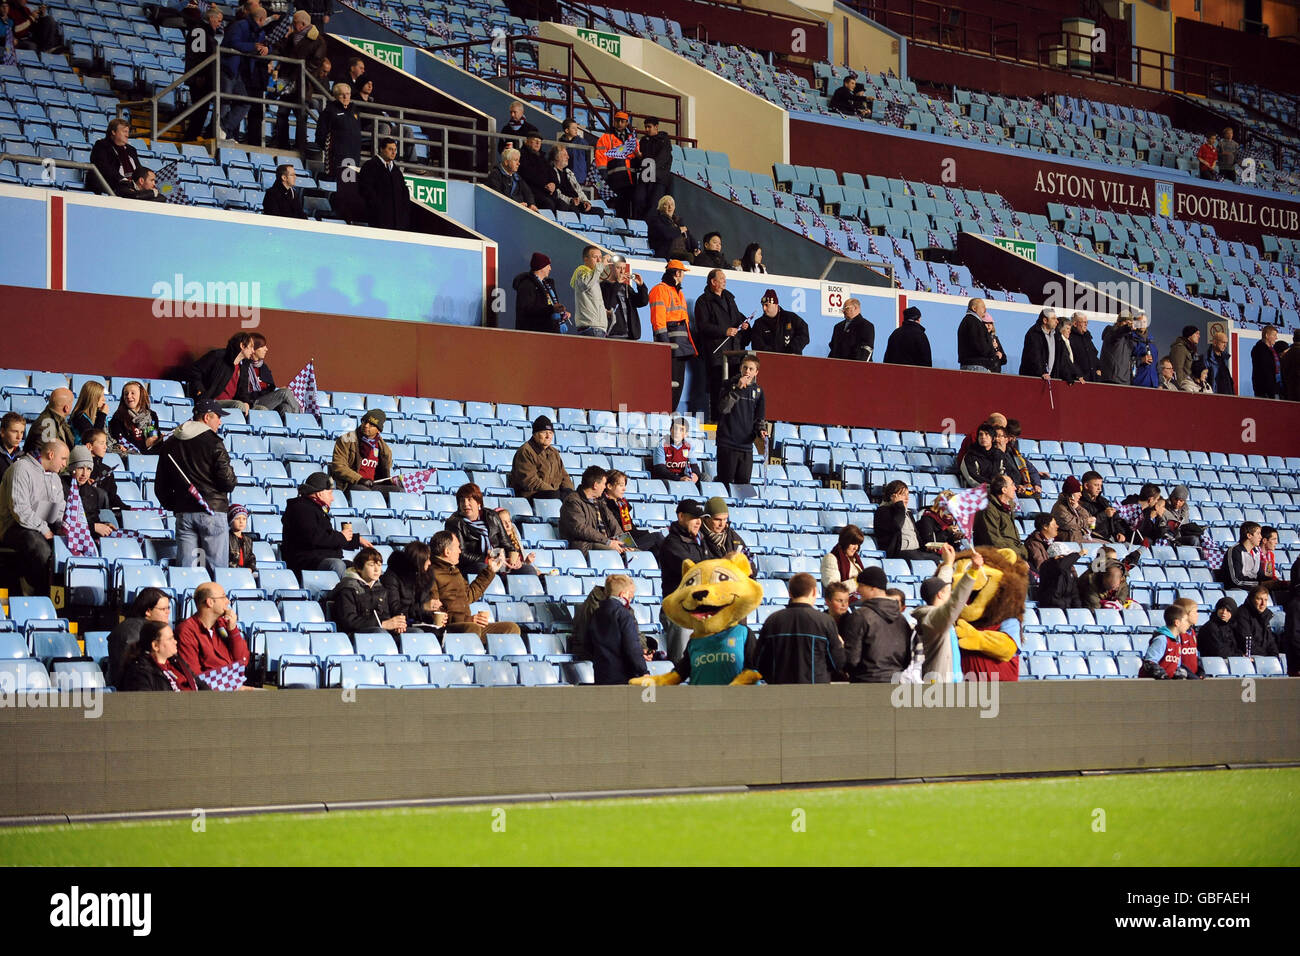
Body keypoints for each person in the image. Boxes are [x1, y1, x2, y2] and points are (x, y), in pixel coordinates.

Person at [154, 400, 236, 576]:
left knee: (186, 572)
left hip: (184, 513)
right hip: (212, 512)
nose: (220, 422)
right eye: (218, 417)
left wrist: (175, 505)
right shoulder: (214, 442)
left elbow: (160, 485)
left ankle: (189, 604)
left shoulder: (170, 443)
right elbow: (227, 482)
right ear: (207, 417)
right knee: (217, 573)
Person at [0, 439, 67, 595]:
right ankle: (39, 594)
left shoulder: (55, 478)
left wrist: (62, 527)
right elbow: (20, 510)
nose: (65, 464)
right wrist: (44, 529)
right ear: (51, 455)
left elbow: (59, 510)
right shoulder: (21, 469)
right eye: (63, 459)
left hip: (42, 526)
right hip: (14, 528)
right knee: (40, 547)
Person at [909, 546, 984, 683]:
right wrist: (973, 572)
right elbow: (955, 602)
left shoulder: (934, 615)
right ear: (940, 594)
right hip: (939, 688)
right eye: (947, 591)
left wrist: (948, 563)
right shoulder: (932, 618)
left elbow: (943, 586)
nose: (950, 592)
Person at [429, 530, 519, 643]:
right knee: (473, 628)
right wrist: (469, 620)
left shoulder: (455, 570)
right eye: (457, 547)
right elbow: (437, 614)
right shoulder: (431, 574)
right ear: (447, 551)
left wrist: (490, 571)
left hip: (469, 624)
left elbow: (469, 595)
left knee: (511, 628)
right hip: (452, 628)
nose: (460, 551)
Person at [753, 572, 844, 684]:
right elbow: (837, 663)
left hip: (780, 693)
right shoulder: (825, 621)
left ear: (790, 593)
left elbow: (759, 662)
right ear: (815, 591)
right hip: (816, 693)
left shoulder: (772, 621)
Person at [282, 472, 368, 578]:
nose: (332, 498)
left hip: (319, 559)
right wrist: (342, 537)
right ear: (319, 493)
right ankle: (341, 593)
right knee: (337, 564)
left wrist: (355, 539)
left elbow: (326, 536)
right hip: (305, 563)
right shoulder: (301, 509)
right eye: (330, 493)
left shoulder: (314, 508)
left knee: (365, 569)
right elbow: (313, 538)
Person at [693, 268, 751, 420]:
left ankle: (733, 419)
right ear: (713, 282)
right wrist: (724, 331)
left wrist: (744, 324)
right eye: (722, 278)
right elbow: (703, 326)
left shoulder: (729, 298)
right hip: (716, 353)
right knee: (718, 387)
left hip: (734, 353)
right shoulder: (703, 301)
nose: (725, 281)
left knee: (735, 386)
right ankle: (717, 420)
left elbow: (738, 317)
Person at [445, 482, 535, 577]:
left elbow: (507, 544)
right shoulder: (454, 523)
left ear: (478, 502)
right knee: (484, 568)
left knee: (528, 570)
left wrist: (514, 558)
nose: (465, 504)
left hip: (499, 562)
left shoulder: (492, 516)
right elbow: (461, 555)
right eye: (462, 501)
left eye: (469, 500)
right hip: (474, 565)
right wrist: (487, 559)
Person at [840, 566, 912, 682]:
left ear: (872, 588)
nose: (857, 590)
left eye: (861, 586)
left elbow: (851, 659)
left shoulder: (860, 616)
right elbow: (907, 657)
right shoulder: (902, 619)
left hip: (866, 685)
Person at [656, 498, 707, 659]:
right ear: (681, 517)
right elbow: (693, 570)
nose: (698, 522)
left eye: (700, 518)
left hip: (697, 609)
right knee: (681, 661)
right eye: (694, 518)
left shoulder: (701, 541)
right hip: (678, 611)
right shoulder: (672, 543)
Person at [269, 9, 326, 151]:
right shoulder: (292, 36)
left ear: (302, 23)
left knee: (301, 115)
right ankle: (281, 143)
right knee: (282, 112)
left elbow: (315, 63)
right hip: (285, 79)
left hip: (302, 82)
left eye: (295, 22)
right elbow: (281, 49)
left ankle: (300, 147)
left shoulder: (318, 41)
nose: (293, 25)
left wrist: (299, 68)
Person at [176, 581, 250, 679]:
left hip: (234, 683)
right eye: (223, 597)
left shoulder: (224, 624)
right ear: (210, 602)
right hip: (213, 690)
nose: (227, 601)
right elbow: (194, 676)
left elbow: (243, 661)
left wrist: (233, 631)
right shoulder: (186, 631)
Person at [649, 260, 696, 410]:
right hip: (671, 346)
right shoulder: (660, 290)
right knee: (670, 385)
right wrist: (665, 345)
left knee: (677, 386)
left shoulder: (678, 292)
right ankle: (665, 414)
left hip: (681, 347)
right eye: (682, 273)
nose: (683, 276)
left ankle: (670, 413)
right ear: (677, 273)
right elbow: (658, 321)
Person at [330, 547, 406, 636]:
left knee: (414, 632)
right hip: (355, 634)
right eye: (371, 565)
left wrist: (395, 626)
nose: (377, 569)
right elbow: (349, 621)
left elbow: (385, 617)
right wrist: (382, 624)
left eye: (379, 565)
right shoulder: (347, 589)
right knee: (379, 633)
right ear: (359, 568)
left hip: (379, 631)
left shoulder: (381, 589)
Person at [715, 354, 766, 485]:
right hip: (727, 444)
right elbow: (723, 408)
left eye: (751, 369)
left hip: (746, 446)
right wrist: (737, 388)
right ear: (740, 368)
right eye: (745, 368)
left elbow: (759, 419)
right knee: (725, 483)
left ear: (756, 372)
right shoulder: (727, 385)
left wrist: (761, 430)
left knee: (744, 486)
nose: (747, 371)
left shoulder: (759, 392)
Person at [589, 574, 649, 684]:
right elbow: (632, 646)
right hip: (623, 676)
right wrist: (643, 670)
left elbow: (588, 643)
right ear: (623, 595)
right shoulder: (624, 614)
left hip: (601, 674)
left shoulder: (596, 613)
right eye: (630, 597)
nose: (630, 600)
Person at [106, 587, 173, 686]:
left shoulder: (146, 628)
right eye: (163, 609)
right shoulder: (134, 632)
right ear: (148, 611)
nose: (168, 612)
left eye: (168, 608)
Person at [117, 620, 207, 692]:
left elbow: (200, 685)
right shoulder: (140, 672)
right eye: (170, 639)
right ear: (155, 646)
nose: (175, 642)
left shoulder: (177, 662)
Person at [181, 3, 224, 140]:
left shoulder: (204, 31)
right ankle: (191, 137)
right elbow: (198, 55)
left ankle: (193, 135)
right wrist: (199, 75)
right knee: (200, 109)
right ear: (211, 18)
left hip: (204, 77)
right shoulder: (199, 30)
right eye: (219, 20)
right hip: (200, 78)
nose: (219, 24)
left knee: (202, 109)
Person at [559, 466, 624, 554]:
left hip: (604, 542)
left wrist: (623, 544)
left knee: (635, 553)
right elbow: (581, 528)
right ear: (595, 485)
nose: (605, 487)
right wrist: (607, 542)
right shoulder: (572, 501)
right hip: (586, 546)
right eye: (604, 484)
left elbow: (613, 523)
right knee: (616, 553)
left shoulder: (600, 502)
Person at [873, 480, 940, 564]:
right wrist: (899, 506)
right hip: (899, 552)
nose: (907, 498)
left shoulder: (907, 512)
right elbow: (897, 526)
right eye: (903, 494)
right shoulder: (882, 511)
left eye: (908, 494)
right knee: (923, 562)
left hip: (916, 551)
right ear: (892, 496)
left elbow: (916, 534)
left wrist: (926, 547)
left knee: (940, 559)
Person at [382, 541, 444, 630]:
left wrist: (433, 614)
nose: (430, 563)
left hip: (419, 624)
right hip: (400, 625)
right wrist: (424, 607)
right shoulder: (392, 577)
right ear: (418, 562)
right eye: (426, 560)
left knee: (444, 631)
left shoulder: (425, 576)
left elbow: (423, 608)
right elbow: (394, 610)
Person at [509, 416, 573, 501]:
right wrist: (553, 491)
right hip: (530, 495)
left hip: (552, 493)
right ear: (535, 434)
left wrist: (568, 490)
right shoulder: (525, 451)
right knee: (554, 495)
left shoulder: (554, 452)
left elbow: (563, 475)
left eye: (550, 433)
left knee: (572, 496)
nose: (548, 436)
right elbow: (530, 480)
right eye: (544, 432)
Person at [188, 332, 255, 413]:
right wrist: (201, 393)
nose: (253, 351)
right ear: (242, 346)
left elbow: (243, 391)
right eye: (251, 347)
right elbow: (195, 370)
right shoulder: (218, 356)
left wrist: (246, 403)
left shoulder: (243, 366)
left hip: (231, 402)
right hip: (212, 401)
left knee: (262, 409)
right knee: (239, 405)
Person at [330, 409, 393, 492]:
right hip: (350, 484)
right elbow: (339, 466)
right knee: (365, 491)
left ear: (378, 430)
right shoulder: (346, 440)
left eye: (371, 424)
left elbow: (386, 470)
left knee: (399, 491)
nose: (366, 425)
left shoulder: (384, 449)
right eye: (364, 421)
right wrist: (360, 479)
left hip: (373, 485)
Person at [602, 469, 664, 552]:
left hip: (628, 539)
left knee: (656, 546)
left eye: (624, 486)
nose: (624, 489)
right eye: (621, 485)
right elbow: (613, 531)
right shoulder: (603, 504)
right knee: (657, 537)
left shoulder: (622, 504)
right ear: (609, 486)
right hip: (619, 542)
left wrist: (646, 533)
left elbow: (631, 530)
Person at [241, 333, 302, 415]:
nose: (266, 349)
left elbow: (270, 389)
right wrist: (280, 393)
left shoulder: (263, 367)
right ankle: (300, 417)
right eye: (262, 346)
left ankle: (288, 426)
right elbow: (244, 392)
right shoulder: (244, 366)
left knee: (286, 408)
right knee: (285, 392)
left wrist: (277, 392)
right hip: (253, 402)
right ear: (254, 349)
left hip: (267, 401)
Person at [358, 137, 411, 231]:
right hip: (377, 220)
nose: (393, 153)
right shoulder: (370, 166)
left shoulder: (396, 171)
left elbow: (404, 193)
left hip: (397, 223)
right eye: (390, 149)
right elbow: (366, 190)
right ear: (381, 149)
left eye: (395, 150)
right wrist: (378, 208)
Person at [63, 445, 115, 539]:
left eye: (88, 469)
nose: (84, 474)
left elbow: (92, 519)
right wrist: (94, 527)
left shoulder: (92, 492)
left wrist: (103, 525)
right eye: (80, 468)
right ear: (71, 468)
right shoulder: (61, 487)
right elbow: (64, 522)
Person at [594, 110, 637, 220]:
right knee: (617, 207)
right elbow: (600, 159)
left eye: (623, 121)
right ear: (614, 122)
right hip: (615, 180)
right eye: (618, 121)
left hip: (630, 180)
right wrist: (604, 178)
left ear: (627, 123)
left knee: (629, 209)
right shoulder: (605, 138)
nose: (620, 124)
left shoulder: (632, 139)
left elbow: (636, 157)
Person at [513, 252, 570, 334]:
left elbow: (550, 306)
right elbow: (527, 310)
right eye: (548, 266)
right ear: (541, 267)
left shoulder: (548, 284)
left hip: (551, 331)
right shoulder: (527, 285)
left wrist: (561, 313)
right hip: (535, 334)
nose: (550, 268)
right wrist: (552, 309)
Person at [973, 475, 1026, 559]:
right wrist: (1019, 554)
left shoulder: (1008, 507)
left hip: (1013, 554)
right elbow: (994, 540)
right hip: (997, 558)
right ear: (1004, 490)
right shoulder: (988, 509)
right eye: (1012, 485)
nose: (1015, 488)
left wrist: (1022, 552)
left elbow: (1013, 538)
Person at [317, 82, 362, 181]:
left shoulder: (354, 111)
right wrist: (332, 148)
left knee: (350, 183)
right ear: (336, 96)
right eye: (342, 94)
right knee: (337, 182)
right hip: (336, 156)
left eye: (348, 94)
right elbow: (321, 134)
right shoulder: (329, 111)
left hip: (353, 155)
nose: (346, 97)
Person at [1140, 605, 1200, 679]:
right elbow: (1149, 663)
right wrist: (1165, 678)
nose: (1188, 624)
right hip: (1152, 686)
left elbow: (1177, 667)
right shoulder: (1162, 640)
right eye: (1185, 621)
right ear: (1177, 623)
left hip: (1167, 685)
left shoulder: (1177, 642)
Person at [89, 118, 141, 197]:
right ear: (113, 132)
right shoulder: (101, 146)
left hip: (132, 187)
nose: (127, 135)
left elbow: (139, 169)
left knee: (157, 194)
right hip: (113, 186)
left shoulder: (131, 150)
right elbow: (103, 167)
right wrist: (123, 180)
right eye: (124, 131)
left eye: (127, 132)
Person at [633, 116, 672, 220]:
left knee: (654, 205)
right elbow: (639, 162)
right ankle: (639, 226)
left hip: (658, 179)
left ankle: (648, 230)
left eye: (649, 127)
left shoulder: (664, 141)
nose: (646, 129)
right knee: (639, 200)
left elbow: (660, 160)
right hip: (645, 178)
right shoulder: (643, 141)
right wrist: (638, 157)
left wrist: (642, 157)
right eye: (645, 127)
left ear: (656, 127)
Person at [700, 497, 755, 569]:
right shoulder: (698, 537)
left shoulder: (732, 535)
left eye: (725, 519)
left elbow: (752, 568)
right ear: (706, 518)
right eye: (717, 519)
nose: (722, 524)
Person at [749, 290, 808, 355]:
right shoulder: (758, 324)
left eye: (766, 305)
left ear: (776, 304)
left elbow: (804, 335)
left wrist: (792, 349)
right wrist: (775, 355)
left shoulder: (791, 318)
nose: (764, 308)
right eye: (762, 305)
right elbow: (757, 346)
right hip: (769, 362)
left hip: (792, 361)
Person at [570, 245, 612, 337]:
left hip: (598, 328)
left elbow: (592, 301)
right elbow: (586, 284)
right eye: (595, 257)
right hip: (592, 328)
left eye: (600, 257)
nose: (598, 261)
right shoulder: (581, 272)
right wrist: (600, 266)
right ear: (586, 259)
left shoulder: (594, 276)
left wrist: (603, 312)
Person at [600, 257, 647, 340]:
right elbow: (608, 305)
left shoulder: (626, 287)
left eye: (624, 268)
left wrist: (641, 286)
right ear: (611, 267)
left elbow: (642, 302)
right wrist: (617, 283)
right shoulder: (603, 286)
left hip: (630, 335)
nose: (622, 271)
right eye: (618, 268)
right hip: (613, 335)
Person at [22, 387, 75, 457]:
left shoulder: (60, 422)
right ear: (66, 408)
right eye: (71, 403)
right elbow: (48, 458)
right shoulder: (46, 425)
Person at [1079, 470, 1128, 542]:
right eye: (1096, 485)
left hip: (1109, 538)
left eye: (1100, 485)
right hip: (1092, 539)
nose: (1099, 488)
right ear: (1086, 485)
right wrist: (1105, 514)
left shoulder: (1103, 501)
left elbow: (1115, 519)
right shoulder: (1080, 503)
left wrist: (1119, 532)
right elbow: (1088, 525)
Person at [546, 145, 596, 214]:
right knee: (574, 211)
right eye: (564, 155)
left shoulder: (569, 172)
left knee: (599, 211)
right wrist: (570, 200)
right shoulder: (551, 172)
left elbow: (579, 190)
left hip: (578, 203)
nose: (568, 157)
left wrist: (586, 201)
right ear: (556, 157)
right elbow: (557, 193)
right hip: (567, 204)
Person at [1018, 308, 1066, 380]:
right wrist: (1042, 372)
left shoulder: (1057, 334)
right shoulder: (1034, 334)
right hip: (1034, 377)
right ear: (1045, 320)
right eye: (1053, 318)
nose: (1057, 321)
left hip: (1050, 377)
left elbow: (1062, 356)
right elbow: (1035, 356)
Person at [650, 417, 701, 484]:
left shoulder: (688, 446)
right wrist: (678, 479)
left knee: (705, 477)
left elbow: (694, 466)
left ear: (686, 434)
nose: (677, 432)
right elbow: (660, 469)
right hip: (667, 479)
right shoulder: (661, 445)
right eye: (675, 428)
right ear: (670, 430)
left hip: (683, 478)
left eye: (681, 430)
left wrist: (695, 475)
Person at [1003, 419, 1045, 499]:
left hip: (1023, 489)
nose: (1013, 440)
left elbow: (1032, 469)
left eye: (1015, 437)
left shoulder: (1015, 454)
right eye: (1011, 436)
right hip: (1012, 491)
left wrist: (1037, 484)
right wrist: (1015, 486)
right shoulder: (999, 455)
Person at [957, 298, 1001, 373]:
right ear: (974, 308)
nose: (985, 309)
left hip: (971, 365)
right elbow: (981, 346)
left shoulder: (967, 321)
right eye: (983, 306)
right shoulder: (974, 322)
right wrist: (993, 355)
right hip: (977, 367)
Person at [1232, 587, 1278, 659]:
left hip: (1264, 655)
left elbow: (1270, 641)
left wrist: (1275, 656)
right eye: (1259, 599)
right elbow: (1246, 643)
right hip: (1250, 657)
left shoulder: (1266, 615)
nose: (1263, 603)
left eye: (1265, 600)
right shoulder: (1242, 614)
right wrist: (1266, 656)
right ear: (1251, 599)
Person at [646, 195, 695, 260]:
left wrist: (695, 248)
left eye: (672, 204)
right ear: (660, 207)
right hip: (667, 252)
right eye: (666, 205)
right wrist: (679, 230)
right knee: (689, 257)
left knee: (698, 257)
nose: (670, 207)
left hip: (682, 251)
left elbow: (689, 237)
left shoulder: (679, 221)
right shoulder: (656, 220)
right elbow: (666, 234)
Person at [1219, 522, 1265, 590]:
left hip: (1254, 589)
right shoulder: (1234, 551)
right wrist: (1259, 584)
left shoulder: (1256, 552)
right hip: (1236, 591)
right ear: (1249, 535)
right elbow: (1236, 580)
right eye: (1258, 533)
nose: (1261, 537)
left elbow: (1260, 575)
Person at [1051, 476, 1095, 543]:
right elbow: (1069, 524)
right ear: (1071, 494)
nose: (1080, 495)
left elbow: (1087, 517)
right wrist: (1085, 522)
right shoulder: (1060, 507)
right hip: (1067, 542)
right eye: (1078, 492)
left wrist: (1078, 507)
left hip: (1078, 540)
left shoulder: (1074, 505)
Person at [820, 524, 865, 589]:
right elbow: (834, 588)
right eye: (853, 543)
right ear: (845, 542)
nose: (856, 548)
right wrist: (858, 582)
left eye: (858, 544)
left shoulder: (855, 560)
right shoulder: (830, 558)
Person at [518, 132, 554, 209]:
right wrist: (544, 184)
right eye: (535, 140)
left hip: (544, 191)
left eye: (540, 141)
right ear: (526, 141)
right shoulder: (522, 155)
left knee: (563, 204)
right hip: (530, 191)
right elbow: (527, 174)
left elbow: (551, 173)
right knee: (548, 203)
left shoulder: (542, 157)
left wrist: (553, 183)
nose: (538, 143)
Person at [1100, 310, 1136, 385]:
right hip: (1112, 379)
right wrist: (1127, 327)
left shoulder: (1128, 337)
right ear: (1119, 322)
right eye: (1125, 322)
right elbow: (1118, 333)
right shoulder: (1111, 331)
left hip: (1125, 381)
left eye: (1130, 322)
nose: (1128, 324)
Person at [67, 381, 108, 445]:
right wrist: (102, 415)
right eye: (101, 396)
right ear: (93, 398)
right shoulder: (79, 417)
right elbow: (94, 439)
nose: (104, 399)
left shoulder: (97, 414)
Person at [557, 117, 592, 186]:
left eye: (576, 128)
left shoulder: (582, 142)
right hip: (566, 178)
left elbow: (588, 159)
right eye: (573, 128)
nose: (576, 130)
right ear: (567, 130)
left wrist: (588, 176)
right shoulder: (560, 143)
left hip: (580, 178)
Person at [1069, 312, 1102, 382]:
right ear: (1075, 324)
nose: (1086, 324)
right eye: (1084, 322)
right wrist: (1078, 374)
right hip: (1080, 380)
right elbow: (1070, 359)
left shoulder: (1087, 337)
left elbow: (1094, 355)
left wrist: (1099, 368)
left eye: (1087, 322)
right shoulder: (1070, 338)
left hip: (1093, 379)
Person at [1252, 326, 1283, 399]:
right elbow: (1264, 372)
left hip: (1275, 388)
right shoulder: (1259, 350)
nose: (1276, 338)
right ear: (1267, 335)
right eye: (1274, 335)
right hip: (1265, 391)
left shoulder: (1272, 351)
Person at [1169, 325, 1201, 391]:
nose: (1199, 336)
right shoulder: (1179, 348)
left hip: (1191, 385)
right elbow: (1177, 369)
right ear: (1190, 335)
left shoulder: (1191, 349)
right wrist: (1180, 388)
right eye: (1197, 333)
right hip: (1184, 387)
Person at [1131, 312, 1157, 388]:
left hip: (1154, 384)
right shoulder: (1130, 339)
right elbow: (1125, 361)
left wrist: (1160, 383)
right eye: (1140, 322)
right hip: (1138, 383)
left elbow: (1156, 364)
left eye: (1144, 322)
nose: (1142, 324)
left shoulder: (1151, 340)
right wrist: (1141, 360)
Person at [227, 503, 256, 572]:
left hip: (245, 572)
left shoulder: (248, 540)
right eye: (237, 518)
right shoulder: (226, 538)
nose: (241, 522)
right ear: (231, 521)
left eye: (244, 519)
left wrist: (251, 568)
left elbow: (251, 557)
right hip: (232, 571)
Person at [1205, 330, 1235, 395]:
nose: (1225, 345)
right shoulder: (1207, 359)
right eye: (1223, 342)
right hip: (1215, 397)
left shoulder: (1224, 358)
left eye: (1226, 343)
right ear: (1215, 342)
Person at [0, 412, 25, 482]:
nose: (19, 437)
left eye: (22, 432)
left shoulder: (23, 457)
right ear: (2, 432)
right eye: (14, 431)